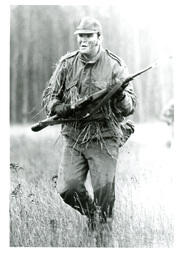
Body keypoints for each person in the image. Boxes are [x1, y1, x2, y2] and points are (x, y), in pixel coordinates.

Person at [42, 17, 136, 231]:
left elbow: (130, 107)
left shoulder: (115, 66)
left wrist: (119, 94)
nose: (82, 40)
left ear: (99, 38)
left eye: (88, 36)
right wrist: (57, 107)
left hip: (104, 137)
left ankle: (103, 234)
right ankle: (93, 216)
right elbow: (49, 96)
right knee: (68, 188)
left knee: (104, 194)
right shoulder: (67, 64)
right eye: (80, 36)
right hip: (74, 136)